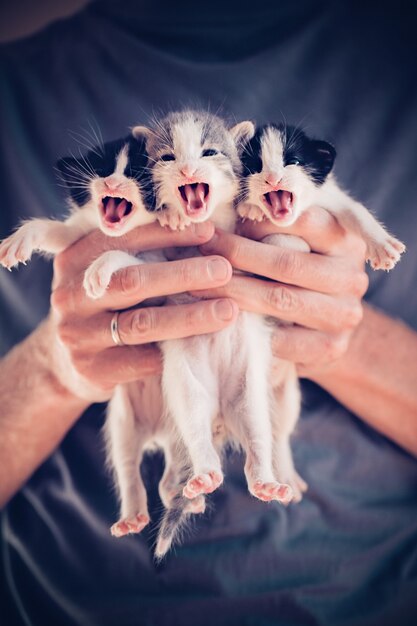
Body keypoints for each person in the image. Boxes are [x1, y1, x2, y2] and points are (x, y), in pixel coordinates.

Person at [1, 1, 416, 625]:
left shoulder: (398, 56)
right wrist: (55, 367)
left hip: (378, 601)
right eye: (166, 163)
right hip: (64, 604)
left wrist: (330, 330)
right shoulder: (13, 90)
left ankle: (257, 464)